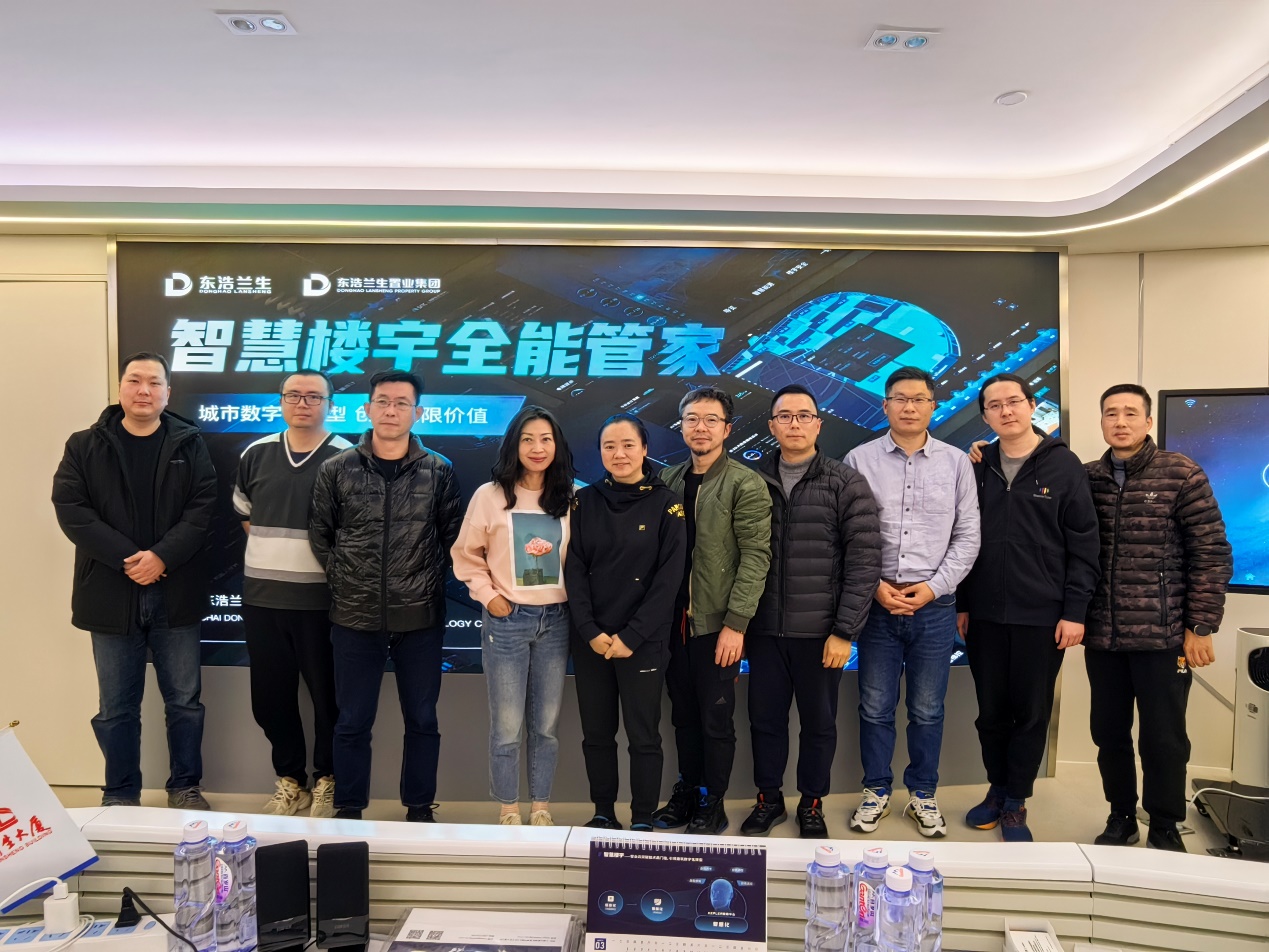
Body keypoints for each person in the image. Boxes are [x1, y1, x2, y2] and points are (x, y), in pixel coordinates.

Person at [52, 352, 217, 808]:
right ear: (120, 387)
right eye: (135, 380)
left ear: (168, 392)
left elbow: (202, 509)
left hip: (176, 591)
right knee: (116, 707)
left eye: (154, 382)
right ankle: (120, 793)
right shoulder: (85, 445)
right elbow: (72, 510)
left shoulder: (189, 443)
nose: (144, 390)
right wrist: (130, 560)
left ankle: (185, 787)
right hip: (110, 592)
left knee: (184, 702)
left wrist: (161, 557)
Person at [308, 370, 462, 822]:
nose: (391, 411)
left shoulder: (439, 469)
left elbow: (453, 538)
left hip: (420, 616)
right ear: (367, 408)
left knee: (423, 719)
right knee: (352, 721)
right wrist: (346, 580)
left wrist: (426, 583)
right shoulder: (336, 468)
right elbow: (320, 534)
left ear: (418, 412)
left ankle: (419, 807)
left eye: (401, 403)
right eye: (383, 401)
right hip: (354, 616)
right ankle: (349, 807)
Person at [1083, 383, 1231, 851]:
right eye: (1111, 413)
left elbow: (1211, 553)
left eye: (1131, 413)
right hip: (1104, 636)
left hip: (1164, 637)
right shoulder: (1087, 478)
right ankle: (1121, 817)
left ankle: (1165, 825)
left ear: (1148, 422)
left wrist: (1200, 626)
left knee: (1164, 740)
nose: (1120, 421)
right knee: (1108, 734)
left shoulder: (1181, 473)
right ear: (1101, 421)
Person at [956, 374, 1100, 841]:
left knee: (1031, 713)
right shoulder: (977, 465)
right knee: (990, 713)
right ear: (985, 415)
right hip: (984, 614)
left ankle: (1017, 800)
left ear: (1032, 405)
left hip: (1042, 614)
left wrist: (1074, 611)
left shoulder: (1064, 466)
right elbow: (962, 539)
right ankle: (997, 789)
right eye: (994, 405)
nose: (1006, 411)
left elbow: (1085, 544)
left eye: (1014, 401)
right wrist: (963, 603)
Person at [844, 366, 979, 838]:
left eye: (919, 399)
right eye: (900, 398)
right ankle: (875, 791)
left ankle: (923, 792)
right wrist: (875, 586)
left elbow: (968, 536)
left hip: (934, 606)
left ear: (932, 406)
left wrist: (934, 588)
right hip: (877, 603)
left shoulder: (956, 463)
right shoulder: (859, 460)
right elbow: (846, 534)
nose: (909, 407)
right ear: (885, 405)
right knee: (874, 707)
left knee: (927, 709)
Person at [743, 385, 882, 838]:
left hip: (822, 634)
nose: (795, 424)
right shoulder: (751, 481)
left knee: (819, 725)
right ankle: (769, 800)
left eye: (804, 415)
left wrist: (845, 632)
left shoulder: (845, 482)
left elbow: (864, 562)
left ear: (818, 424)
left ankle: (812, 803)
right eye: (785, 416)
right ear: (772, 425)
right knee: (765, 722)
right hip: (764, 630)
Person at [233, 370, 352, 817]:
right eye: (294, 395)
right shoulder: (256, 453)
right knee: (271, 698)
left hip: (322, 602)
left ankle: (327, 779)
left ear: (330, 405)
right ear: (281, 401)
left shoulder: (346, 457)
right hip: (263, 599)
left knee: (328, 699)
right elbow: (245, 515)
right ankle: (291, 781)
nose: (303, 403)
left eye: (313, 397)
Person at [654, 387, 772, 835]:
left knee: (715, 719)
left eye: (710, 420)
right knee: (682, 716)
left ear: (727, 428)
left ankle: (713, 801)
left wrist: (735, 625)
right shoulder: (666, 479)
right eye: (692, 419)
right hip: (672, 625)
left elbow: (756, 557)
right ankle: (687, 789)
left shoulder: (745, 483)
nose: (700, 427)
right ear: (681, 425)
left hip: (718, 625)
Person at [452, 406, 574, 826]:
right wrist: (489, 597)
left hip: (556, 621)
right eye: (527, 439)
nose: (537, 448)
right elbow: (466, 555)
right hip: (507, 621)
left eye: (546, 439)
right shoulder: (490, 496)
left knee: (546, 725)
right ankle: (508, 807)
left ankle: (540, 806)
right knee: (507, 725)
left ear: (557, 446)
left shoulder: (571, 496)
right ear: (513, 445)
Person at [565, 414, 686, 831]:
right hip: (592, 640)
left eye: (628, 445)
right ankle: (603, 811)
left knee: (643, 735)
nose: (619, 454)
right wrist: (590, 631)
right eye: (609, 446)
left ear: (645, 449)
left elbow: (668, 580)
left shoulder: (667, 503)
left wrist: (632, 636)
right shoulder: (584, 501)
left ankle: (642, 817)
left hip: (643, 640)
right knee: (597, 734)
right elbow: (575, 570)